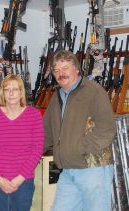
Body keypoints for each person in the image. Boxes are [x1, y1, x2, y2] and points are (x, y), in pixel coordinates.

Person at [44, 50, 116, 211]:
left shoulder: (94, 91)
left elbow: (107, 129)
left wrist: (79, 148)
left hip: (93, 169)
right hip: (68, 171)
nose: (61, 73)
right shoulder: (56, 97)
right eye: (56, 70)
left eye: (65, 68)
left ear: (76, 69)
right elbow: (46, 132)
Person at [0, 74, 44, 211]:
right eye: (7, 89)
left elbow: (37, 150)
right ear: (2, 93)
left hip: (23, 181)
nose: (11, 93)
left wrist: (19, 178)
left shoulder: (34, 115)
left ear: (21, 92)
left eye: (15, 89)